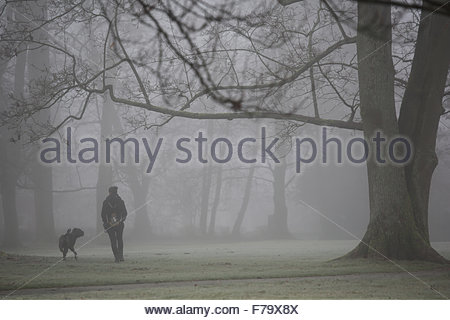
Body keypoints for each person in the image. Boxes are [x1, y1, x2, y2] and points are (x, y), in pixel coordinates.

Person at [101, 186, 127, 262]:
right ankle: (121, 256)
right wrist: (120, 221)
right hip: (119, 224)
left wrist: (107, 222)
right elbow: (125, 213)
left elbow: (103, 214)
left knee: (113, 240)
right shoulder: (121, 201)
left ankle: (116, 257)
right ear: (116, 192)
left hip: (109, 225)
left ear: (109, 192)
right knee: (119, 239)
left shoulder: (105, 202)